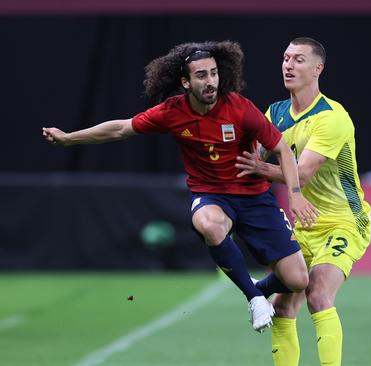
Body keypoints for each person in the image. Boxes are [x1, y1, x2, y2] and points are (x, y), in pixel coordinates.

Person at [42, 40, 319, 333]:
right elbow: (121, 128)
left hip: (254, 197)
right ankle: (253, 297)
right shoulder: (172, 112)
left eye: (213, 73)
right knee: (208, 223)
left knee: (297, 280)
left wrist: (295, 194)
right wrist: (69, 138)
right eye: (202, 75)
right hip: (213, 197)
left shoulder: (240, 108)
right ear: (185, 82)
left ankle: (259, 289)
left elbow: (284, 151)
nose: (211, 81)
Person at [236, 37, 371, 366]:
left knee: (318, 293)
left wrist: (259, 167)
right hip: (305, 223)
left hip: (345, 222)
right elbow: (249, 161)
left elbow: (302, 173)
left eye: (298, 59)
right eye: (285, 58)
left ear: (317, 69)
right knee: (283, 307)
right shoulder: (275, 113)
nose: (288, 65)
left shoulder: (331, 117)